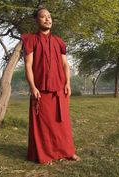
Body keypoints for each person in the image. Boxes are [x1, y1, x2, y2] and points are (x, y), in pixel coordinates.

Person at [21, 7, 80, 165]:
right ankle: (44, 155)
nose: (48, 19)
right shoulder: (30, 39)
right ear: (37, 20)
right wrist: (33, 87)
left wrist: (68, 82)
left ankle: (68, 152)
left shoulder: (59, 41)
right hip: (41, 90)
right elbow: (28, 65)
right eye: (43, 17)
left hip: (59, 89)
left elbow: (65, 64)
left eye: (49, 17)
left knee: (63, 124)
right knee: (43, 126)